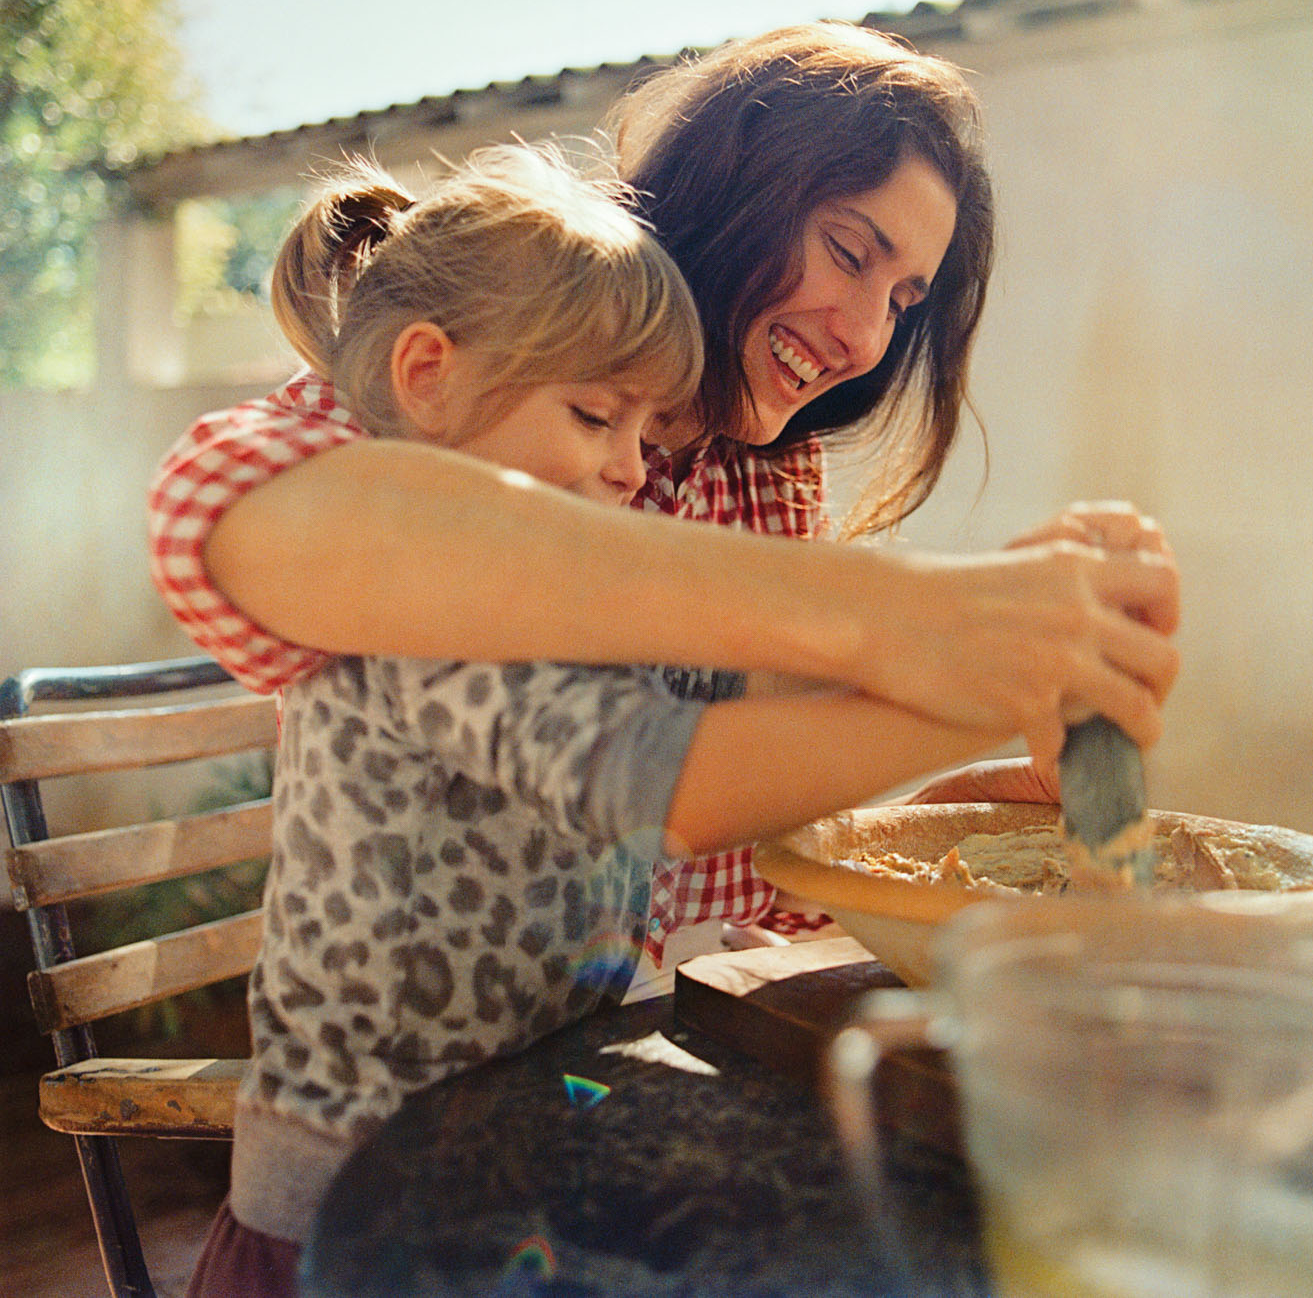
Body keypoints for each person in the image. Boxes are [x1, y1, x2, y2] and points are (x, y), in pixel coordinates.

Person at [187, 146, 1172, 1296]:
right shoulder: (429, 606)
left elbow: (743, 699)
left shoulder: (561, 593)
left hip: (513, 1152)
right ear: (427, 376)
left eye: (644, 438)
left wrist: (1002, 698)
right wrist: (995, 689)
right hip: (355, 1212)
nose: (627, 471)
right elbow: (677, 789)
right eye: (598, 418)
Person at [148, 20, 1180, 965]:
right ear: (738, 186)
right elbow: (221, 506)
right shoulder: (498, 348)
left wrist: (973, 789)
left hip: (624, 1029)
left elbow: (739, 839)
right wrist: (909, 617)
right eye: (848, 252)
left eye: (903, 303)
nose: (868, 340)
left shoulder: (766, 471)